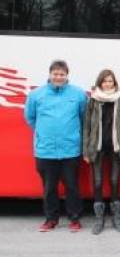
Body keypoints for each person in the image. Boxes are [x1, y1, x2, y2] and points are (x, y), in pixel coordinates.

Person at [24, 60, 87, 232]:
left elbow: (83, 118)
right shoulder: (36, 94)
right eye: (55, 74)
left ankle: (75, 219)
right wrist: (45, 133)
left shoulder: (78, 94)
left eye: (62, 74)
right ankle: (51, 219)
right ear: (50, 74)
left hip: (70, 150)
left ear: (67, 75)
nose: (58, 77)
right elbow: (30, 118)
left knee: (72, 187)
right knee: (49, 188)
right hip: (45, 151)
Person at [83, 69, 120, 235]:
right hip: (97, 147)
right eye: (105, 81)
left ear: (114, 83)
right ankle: (99, 219)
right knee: (97, 181)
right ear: (100, 83)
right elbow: (87, 126)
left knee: (115, 181)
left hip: (115, 148)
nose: (108, 84)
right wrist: (86, 151)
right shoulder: (93, 101)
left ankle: (116, 218)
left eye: (110, 81)